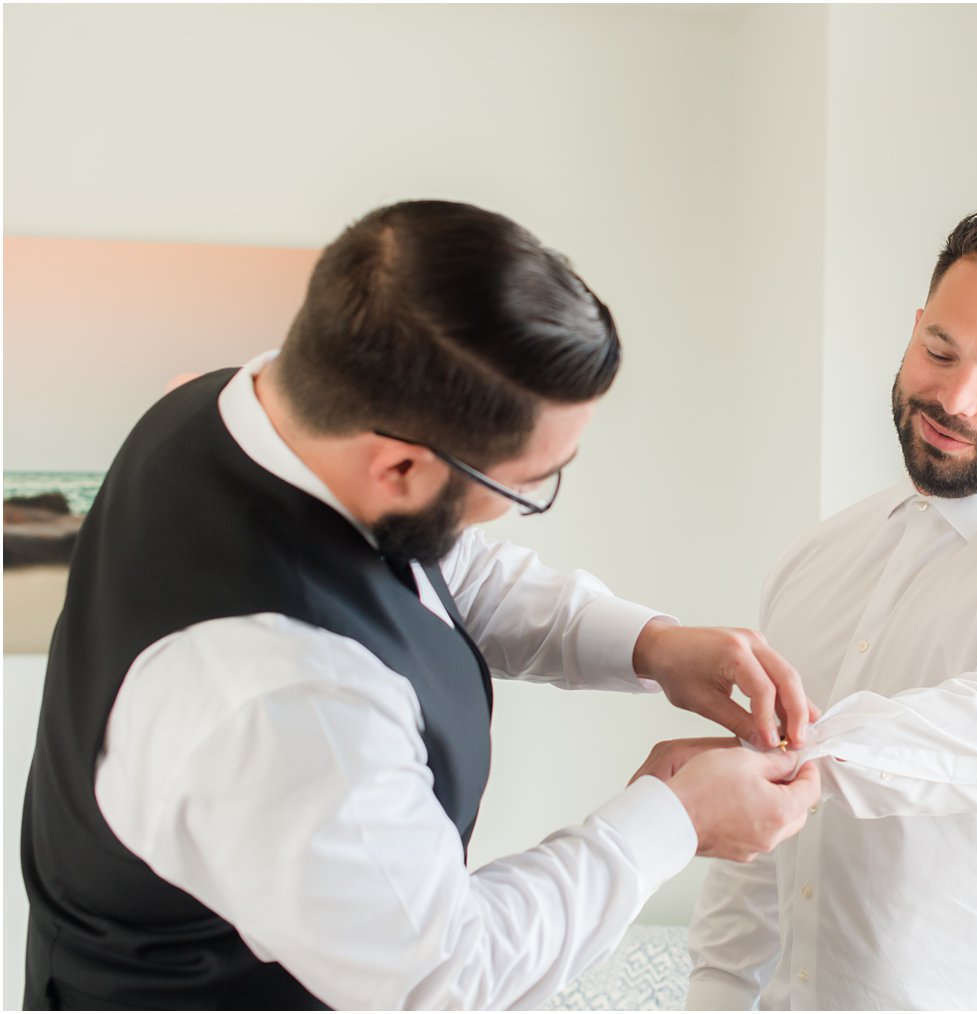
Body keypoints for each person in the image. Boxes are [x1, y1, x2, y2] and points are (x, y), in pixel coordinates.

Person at [20, 200, 820, 1010]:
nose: (525, 501)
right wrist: (674, 822)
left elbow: (446, 566)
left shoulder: (260, 405)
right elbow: (446, 976)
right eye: (528, 484)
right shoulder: (290, 698)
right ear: (399, 468)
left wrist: (649, 646)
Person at [684, 210, 977, 1009]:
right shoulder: (816, 559)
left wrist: (798, 755)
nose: (955, 398)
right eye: (939, 352)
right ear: (912, 335)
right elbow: (755, 852)